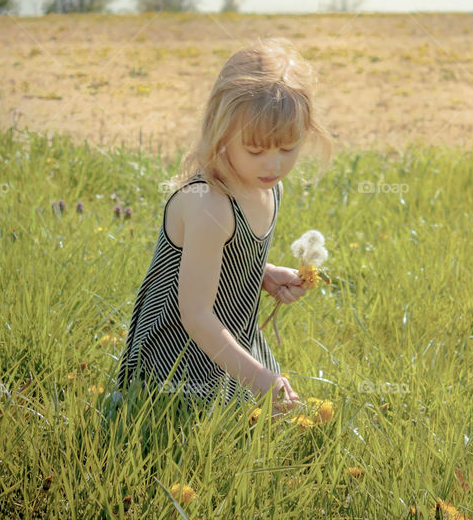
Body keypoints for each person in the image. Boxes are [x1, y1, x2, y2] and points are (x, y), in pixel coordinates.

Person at [115, 36, 333, 417]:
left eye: (287, 148)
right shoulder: (208, 205)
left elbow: (226, 261)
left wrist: (263, 274)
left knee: (277, 420)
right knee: (209, 425)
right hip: (176, 357)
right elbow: (195, 314)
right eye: (255, 150)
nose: (273, 165)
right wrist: (260, 377)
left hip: (231, 339)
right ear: (222, 131)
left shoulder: (269, 189)